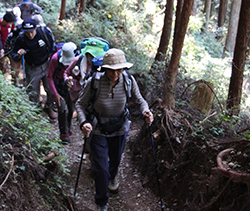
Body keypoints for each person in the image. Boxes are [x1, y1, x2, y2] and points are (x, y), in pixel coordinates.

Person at [75, 48, 154, 211]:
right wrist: (83, 123)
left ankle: (112, 177)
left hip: (120, 128)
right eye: (111, 70)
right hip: (98, 130)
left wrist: (146, 111)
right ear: (105, 69)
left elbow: (140, 100)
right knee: (101, 169)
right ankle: (101, 202)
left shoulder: (128, 79)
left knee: (115, 160)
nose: (115, 74)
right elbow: (80, 104)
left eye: (119, 69)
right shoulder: (94, 82)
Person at [11, 18, 57, 119]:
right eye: (27, 33)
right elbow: (14, 54)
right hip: (31, 68)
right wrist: (18, 54)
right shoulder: (21, 38)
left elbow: (53, 48)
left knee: (52, 89)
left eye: (32, 32)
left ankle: (48, 107)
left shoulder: (43, 33)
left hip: (46, 64)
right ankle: (36, 114)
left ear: (36, 28)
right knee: (33, 93)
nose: (30, 35)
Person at [47, 42, 77, 143]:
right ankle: (63, 133)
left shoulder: (78, 58)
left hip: (71, 86)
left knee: (71, 108)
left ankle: (68, 129)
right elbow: (49, 76)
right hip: (58, 86)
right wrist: (55, 94)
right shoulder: (55, 59)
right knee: (63, 109)